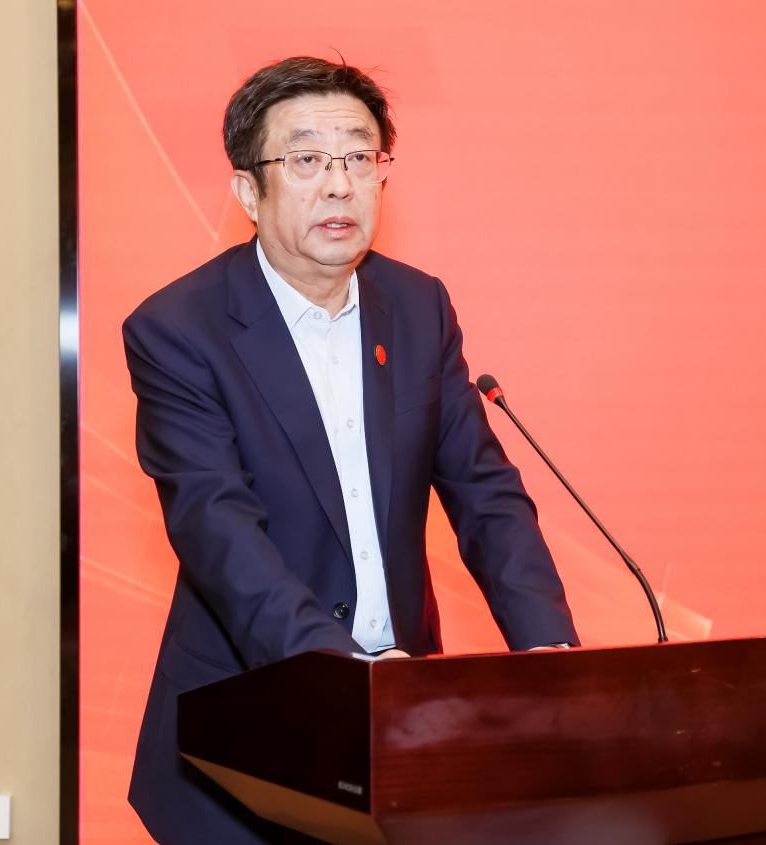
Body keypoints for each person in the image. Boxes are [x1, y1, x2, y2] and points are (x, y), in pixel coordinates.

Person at [123, 57, 579, 844]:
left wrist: (551, 653)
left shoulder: (419, 306)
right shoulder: (178, 330)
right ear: (248, 192)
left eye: (359, 157)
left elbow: (487, 496)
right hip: (248, 719)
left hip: (403, 722)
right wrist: (344, 675)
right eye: (305, 160)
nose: (339, 185)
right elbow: (217, 530)